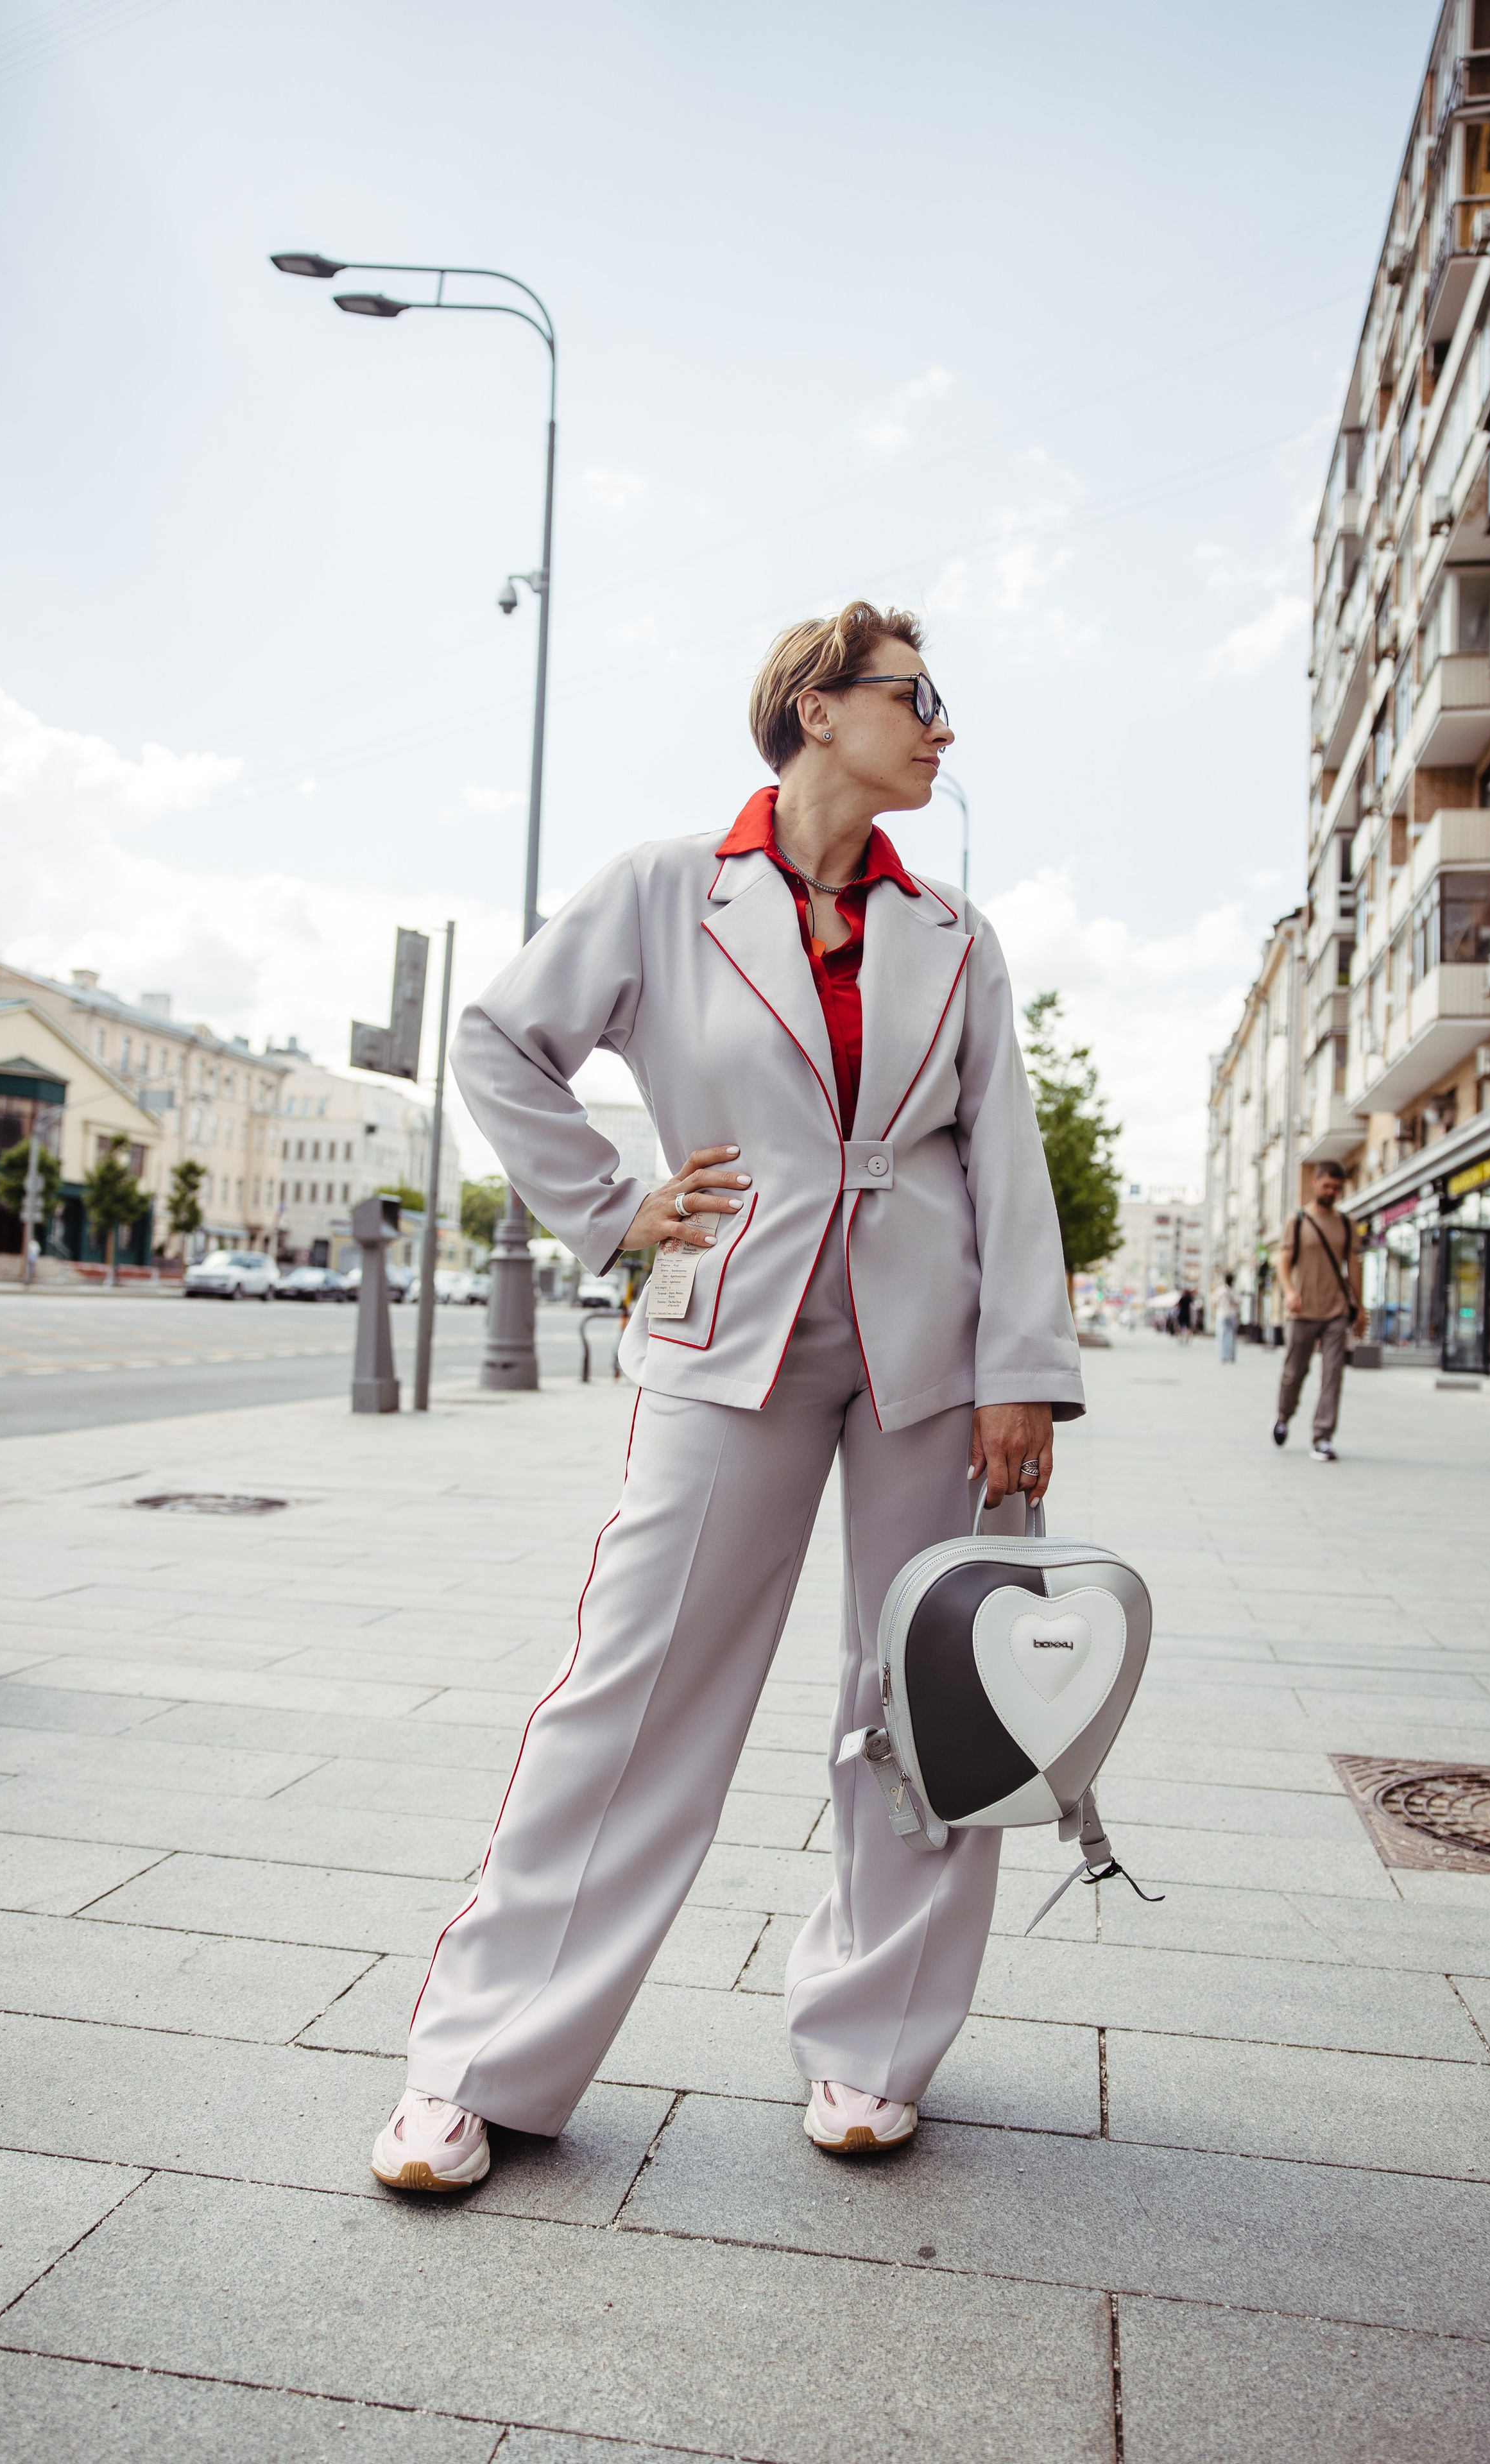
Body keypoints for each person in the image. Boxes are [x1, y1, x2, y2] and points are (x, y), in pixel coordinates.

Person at [371, 601, 1084, 2192]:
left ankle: (870, 2047)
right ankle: (478, 2065)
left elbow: (1007, 1161)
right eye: (916, 698)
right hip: (727, 1333)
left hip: (933, 1356)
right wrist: (616, 1203)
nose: (941, 727)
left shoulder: (953, 932)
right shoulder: (658, 889)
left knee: (922, 1696)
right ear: (815, 709)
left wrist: (1018, 1372)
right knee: (626, 1691)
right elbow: (499, 1043)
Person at [1272, 1161, 1362, 1461]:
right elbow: (1283, 1262)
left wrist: (1359, 1307)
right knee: (1294, 1373)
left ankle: (1322, 1437)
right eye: (1327, 1186)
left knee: (1333, 1375)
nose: (1332, 1192)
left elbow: (1354, 1266)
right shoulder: (1297, 1220)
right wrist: (1289, 1292)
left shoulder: (1346, 1223)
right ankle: (1284, 1416)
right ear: (1315, 1182)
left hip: (1336, 1310)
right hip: (1302, 1310)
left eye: (1337, 1188)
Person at [1215, 1270, 1238, 1364]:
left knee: (1222, 1336)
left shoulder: (1220, 1290)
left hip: (1221, 1315)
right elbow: (1237, 1302)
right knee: (1232, 1336)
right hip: (1232, 1314)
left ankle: (1223, 1356)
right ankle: (1231, 1356)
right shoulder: (1233, 1291)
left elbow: (1215, 1302)